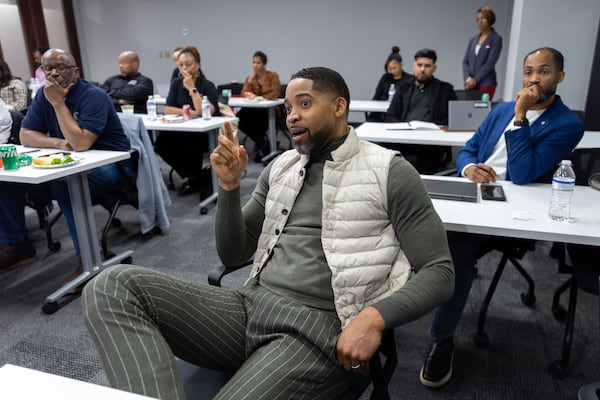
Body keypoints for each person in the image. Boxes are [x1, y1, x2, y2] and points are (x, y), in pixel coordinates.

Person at [83, 66, 454, 400]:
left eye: (304, 104)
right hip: (249, 306)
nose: (292, 116)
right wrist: (228, 189)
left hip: (316, 330)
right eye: (288, 108)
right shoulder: (281, 166)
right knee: (110, 285)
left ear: (339, 106)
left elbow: (439, 271)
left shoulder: (388, 170)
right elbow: (233, 255)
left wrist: (373, 318)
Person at [419, 47, 585, 389]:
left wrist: (521, 116)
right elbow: (469, 147)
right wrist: (468, 167)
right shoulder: (500, 111)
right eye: (528, 71)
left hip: (510, 205)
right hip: (472, 186)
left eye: (543, 71)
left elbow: (522, 173)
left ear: (560, 77)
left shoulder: (568, 124)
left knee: (455, 243)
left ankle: (442, 338)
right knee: (408, 212)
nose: (533, 79)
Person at [0, 49, 131, 277]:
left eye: (60, 67)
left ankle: (90, 259)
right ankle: (16, 243)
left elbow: (80, 143)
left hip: (113, 164)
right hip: (72, 160)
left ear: (75, 72)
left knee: (63, 184)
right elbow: (26, 135)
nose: (53, 73)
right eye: (47, 68)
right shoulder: (44, 95)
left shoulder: (94, 96)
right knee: (7, 182)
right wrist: (60, 144)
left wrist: (59, 104)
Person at [154, 45, 220, 196]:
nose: (185, 68)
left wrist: (192, 89)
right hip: (181, 130)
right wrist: (191, 112)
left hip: (202, 134)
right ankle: (193, 176)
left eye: (189, 64)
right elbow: (168, 109)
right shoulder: (176, 83)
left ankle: (199, 177)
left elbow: (207, 110)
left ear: (197, 65)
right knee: (161, 144)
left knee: (190, 146)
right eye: (181, 65)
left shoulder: (207, 85)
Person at [384, 48, 457, 174]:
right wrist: (403, 128)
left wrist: (434, 127)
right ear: (414, 66)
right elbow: (391, 115)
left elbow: (453, 118)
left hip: (430, 144)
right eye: (419, 65)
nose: (422, 69)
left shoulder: (445, 90)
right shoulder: (403, 88)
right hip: (404, 140)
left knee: (416, 164)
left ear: (434, 68)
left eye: (427, 66)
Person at [237, 50, 281, 162]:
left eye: (258, 63)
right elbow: (244, 94)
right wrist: (250, 82)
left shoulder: (273, 76)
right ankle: (263, 144)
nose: (255, 65)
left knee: (257, 121)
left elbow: (275, 93)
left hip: (270, 110)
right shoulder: (250, 78)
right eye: (254, 62)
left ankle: (262, 146)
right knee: (239, 118)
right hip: (254, 110)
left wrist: (259, 97)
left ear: (264, 64)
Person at [462, 7, 503, 100]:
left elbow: (490, 63)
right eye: (477, 19)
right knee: (469, 112)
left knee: (481, 111)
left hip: (486, 83)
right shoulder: (473, 39)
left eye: (483, 18)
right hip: (470, 84)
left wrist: (475, 80)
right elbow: (465, 61)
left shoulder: (496, 39)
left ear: (490, 19)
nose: (480, 21)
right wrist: (467, 79)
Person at [368, 46, 414, 122]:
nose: (392, 71)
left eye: (394, 68)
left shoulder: (409, 79)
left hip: (398, 114)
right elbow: (376, 96)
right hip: (380, 112)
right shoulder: (385, 78)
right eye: (390, 68)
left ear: (401, 64)